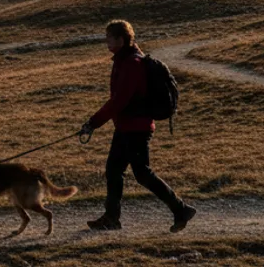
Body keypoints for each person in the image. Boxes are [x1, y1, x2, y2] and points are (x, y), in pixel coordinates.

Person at [81, 20, 196, 232]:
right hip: (128, 126)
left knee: (139, 173)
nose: (107, 42)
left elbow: (119, 101)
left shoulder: (132, 64)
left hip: (135, 128)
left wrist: (93, 123)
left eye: (110, 38)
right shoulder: (124, 60)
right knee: (116, 171)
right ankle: (112, 217)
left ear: (121, 39)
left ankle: (180, 209)